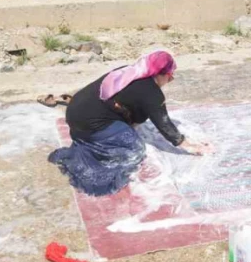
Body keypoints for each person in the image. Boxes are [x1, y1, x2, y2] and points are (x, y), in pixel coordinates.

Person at [46, 51, 208, 196]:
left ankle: (96, 139)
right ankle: (93, 151)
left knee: (127, 131)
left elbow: (134, 109)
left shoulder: (129, 72)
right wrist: (190, 146)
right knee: (135, 149)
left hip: (75, 112)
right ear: (159, 73)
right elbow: (165, 125)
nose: (171, 78)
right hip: (89, 125)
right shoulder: (151, 93)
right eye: (169, 74)